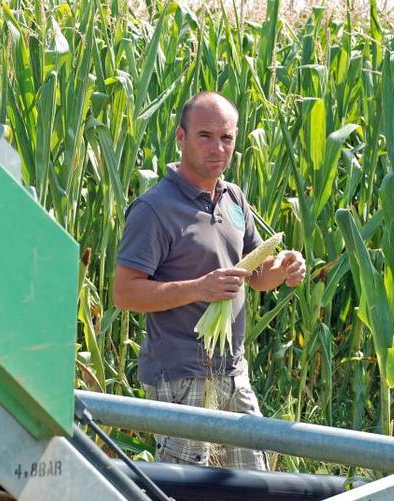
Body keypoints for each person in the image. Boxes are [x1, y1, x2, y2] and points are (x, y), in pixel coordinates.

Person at [113, 91, 306, 469]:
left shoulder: (234, 198)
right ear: (181, 138)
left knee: (256, 486)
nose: (217, 147)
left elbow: (256, 277)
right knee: (186, 488)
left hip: (233, 372)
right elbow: (125, 293)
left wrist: (282, 268)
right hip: (180, 376)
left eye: (226, 137)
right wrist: (200, 288)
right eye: (205, 136)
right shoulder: (154, 209)